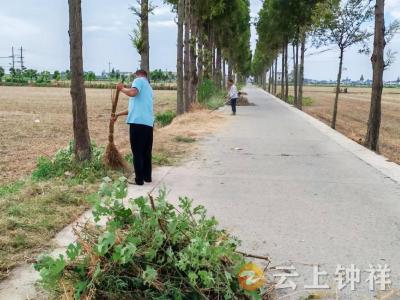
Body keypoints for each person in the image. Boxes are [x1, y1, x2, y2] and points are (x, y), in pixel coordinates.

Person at [112, 70, 154, 185]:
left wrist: (121, 89)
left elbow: (132, 92)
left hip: (137, 124)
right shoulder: (149, 89)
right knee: (146, 152)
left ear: (138, 75)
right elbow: (133, 109)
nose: (132, 83)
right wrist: (118, 115)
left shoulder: (139, 80)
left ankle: (139, 179)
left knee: (137, 152)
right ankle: (147, 177)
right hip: (148, 124)